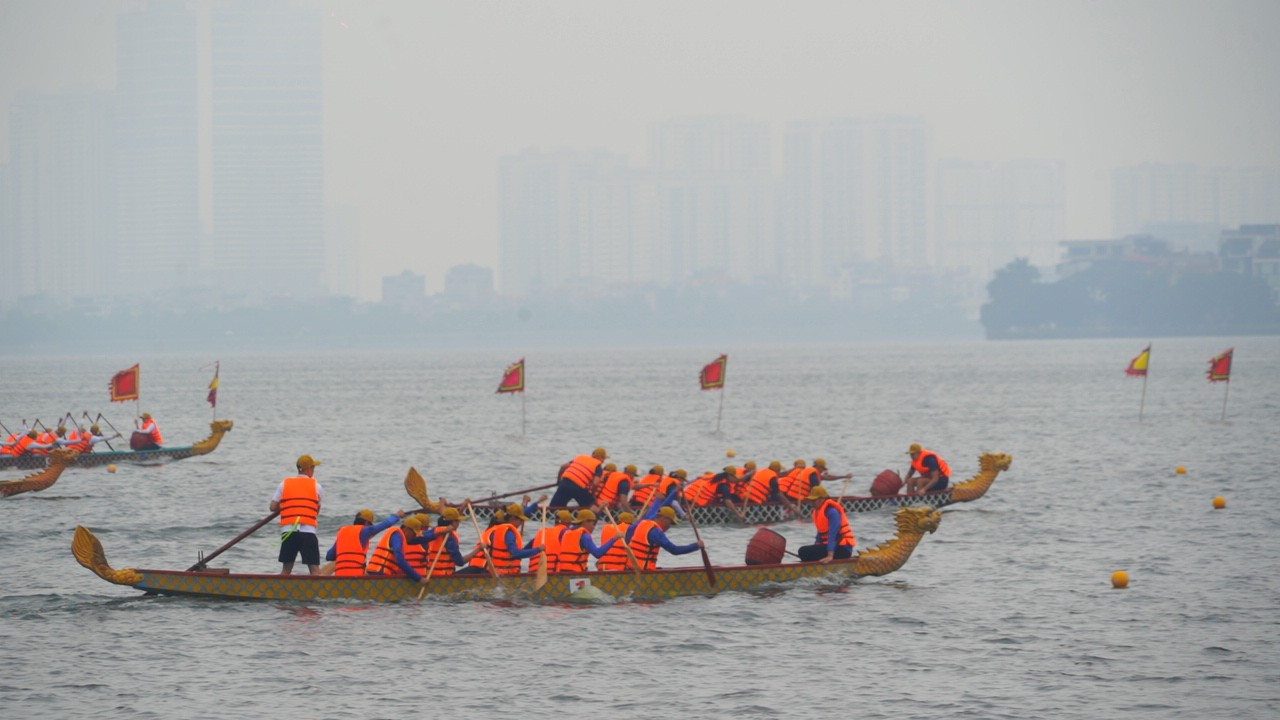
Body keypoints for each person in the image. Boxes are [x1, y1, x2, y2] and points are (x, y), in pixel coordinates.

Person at [270, 454, 325, 575]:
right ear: (308, 469)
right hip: (308, 532)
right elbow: (316, 511)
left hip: (289, 532)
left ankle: (279, 591)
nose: (313, 471)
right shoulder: (317, 486)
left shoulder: (284, 484)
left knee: (286, 570)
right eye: (313, 468)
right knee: (315, 570)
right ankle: (318, 593)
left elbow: (273, 507)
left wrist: (287, 505)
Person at [326, 508, 405, 577]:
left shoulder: (342, 532)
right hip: (356, 577)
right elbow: (384, 524)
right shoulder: (365, 530)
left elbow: (329, 556)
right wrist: (397, 516)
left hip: (339, 576)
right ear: (367, 523)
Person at [626, 504, 703, 571]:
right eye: (670, 523)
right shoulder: (656, 532)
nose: (669, 526)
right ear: (664, 519)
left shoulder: (642, 523)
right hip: (643, 571)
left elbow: (629, 532)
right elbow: (674, 550)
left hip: (631, 568)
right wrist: (696, 546)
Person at [366, 514, 433, 585]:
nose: (414, 536)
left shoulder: (403, 537)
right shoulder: (397, 535)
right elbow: (399, 559)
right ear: (407, 529)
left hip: (380, 572)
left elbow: (423, 538)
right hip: (379, 573)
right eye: (414, 534)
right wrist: (419, 578)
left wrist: (440, 532)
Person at [798, 486, 857, 563]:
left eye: (814, 500)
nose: (811, 503)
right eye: (811, 500)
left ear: (821, 499)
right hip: (832, 546)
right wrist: (815, 547)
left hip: (843, 548)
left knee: (804, 551)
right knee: (803, 552)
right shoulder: (818, 512)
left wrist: (830, 556)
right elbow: (819, 535)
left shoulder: (832, 512)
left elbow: (833, 534)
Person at [487, 503, 544, 575]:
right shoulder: (509, 533)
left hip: (496, 571)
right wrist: (538, 550)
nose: (521, 523)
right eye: (521, 520)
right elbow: (515, 553)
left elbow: (517, 552)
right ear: (513, 518)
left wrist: (534, 541)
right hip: (505, 573)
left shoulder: (499, 529)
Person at [417, 507, 475, 577]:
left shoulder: (429, 532)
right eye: (457, 522)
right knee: (476, 569)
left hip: (426, 574)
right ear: (453, 523)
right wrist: (477, 551)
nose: (458, 524)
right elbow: (459, 562)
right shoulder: (449, 537)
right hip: (444, 575)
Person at [529, 509, 573, 575]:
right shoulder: (566, 532)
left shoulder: (543, 532)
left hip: (534, 572)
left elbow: (526, 549)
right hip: (554, 572)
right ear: (568, 523)